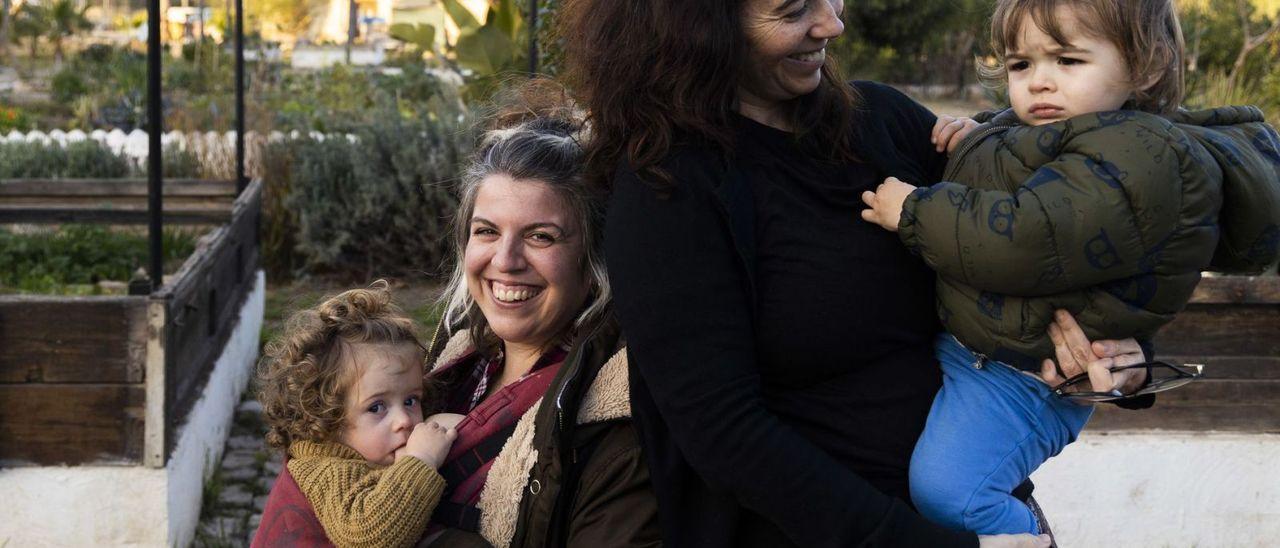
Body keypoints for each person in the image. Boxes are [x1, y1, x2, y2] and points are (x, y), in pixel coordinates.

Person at [558, 0, 1169, 546]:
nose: (832, 23)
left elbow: (1053, 241)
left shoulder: (879, 120)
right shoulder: (668, 189)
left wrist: (1123, 351)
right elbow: (722, 433)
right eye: (794, 10)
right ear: (698, 24)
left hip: (980, 513)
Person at [859, 0, 1280, 536]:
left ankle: (1024, 538)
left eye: (1068, 61)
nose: (1039, 83)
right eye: (1021, 65)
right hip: (987, 351)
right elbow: (1025, 170)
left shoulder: (1139, 156)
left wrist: (914, 210)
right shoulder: (1083, 132)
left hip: (1028, 377)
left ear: (1145, 66)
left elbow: (1025, 238)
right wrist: (980, 139)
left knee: (952, 493)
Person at [421, 103, 661, 548]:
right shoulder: (450, 367)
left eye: (541, 236)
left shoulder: (618, 423)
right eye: (487, 231)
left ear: (592, 261)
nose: (505, 262)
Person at [254, 282, 462, 548]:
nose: (404, 421)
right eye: (376, 407)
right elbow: (371, 535)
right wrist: (421, 460)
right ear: (328, 419)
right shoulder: (326, 472)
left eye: (411, 400)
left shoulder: (351, 451)